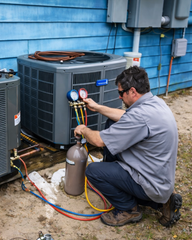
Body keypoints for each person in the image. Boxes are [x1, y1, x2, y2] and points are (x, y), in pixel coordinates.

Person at [74, 66, 182, 227]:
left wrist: (83, 129)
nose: (119, 97)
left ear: (132, 91)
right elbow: (125, 117)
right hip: (160, 178)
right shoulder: (155, 103)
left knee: (94, 172)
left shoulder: (140, 116)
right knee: (112, 122)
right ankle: (164, 201)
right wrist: (97, 107)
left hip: (150, 183)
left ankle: (129, 209)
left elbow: (98, 141)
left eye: (120, 93)